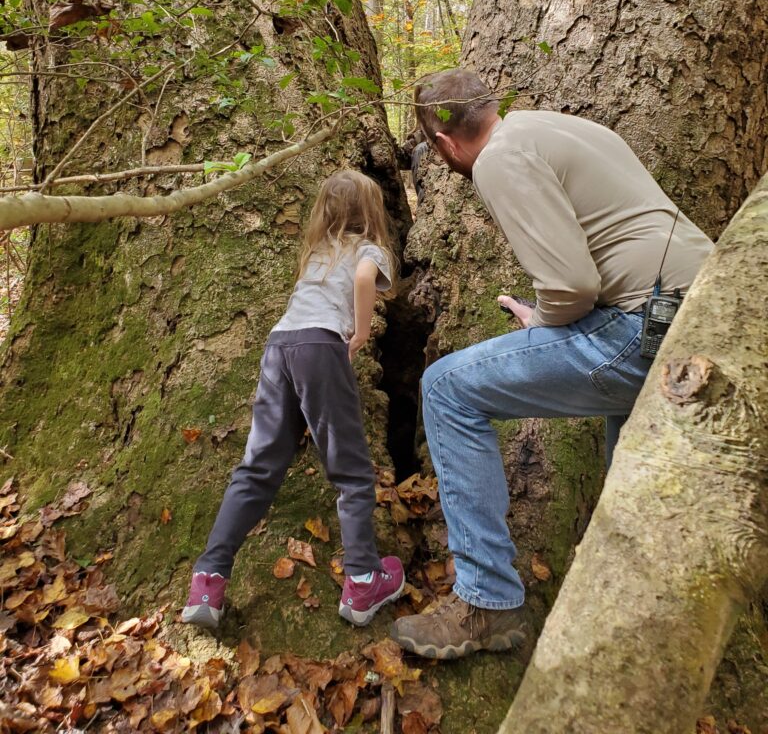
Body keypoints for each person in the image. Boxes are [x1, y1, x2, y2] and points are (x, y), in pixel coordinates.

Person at [390, 69, 713, 660]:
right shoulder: (556, 127)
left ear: (442, 144)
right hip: (707, 316)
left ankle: (486, 601)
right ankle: (630, 628)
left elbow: (572, 285)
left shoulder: (496, 159)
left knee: (445, 388)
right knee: (629, 479)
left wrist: (542, 321)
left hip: (648, 324)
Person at [183, 170, 405, 632]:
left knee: (258, 466)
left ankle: (208, 579)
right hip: (321, 349)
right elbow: (366, 278)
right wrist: (361, 333)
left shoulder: (317, 253)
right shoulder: (368, 248)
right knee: (351, 470)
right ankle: (364, 579)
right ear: (372, 213)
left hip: (278, 347)